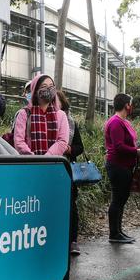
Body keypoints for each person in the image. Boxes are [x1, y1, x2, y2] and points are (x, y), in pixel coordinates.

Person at [104, 94, 140, 244]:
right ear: (126, 105)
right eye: (131, 104)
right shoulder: (115, 122)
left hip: (126, 166)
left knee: (122, 199)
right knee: (117, 199)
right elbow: (119, 146)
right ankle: (114, 233)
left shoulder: (125, 122)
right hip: (118, 166)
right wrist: (136, 152)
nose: (131, 106)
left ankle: (119, 231)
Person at [13, 74, 69, 156]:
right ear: (35, 91)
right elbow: (19, 141)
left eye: (51, 86)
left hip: (53, 164)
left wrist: (47, 157)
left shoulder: (61, 115)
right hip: (30, 163)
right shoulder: (24, 114)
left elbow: (62, 141)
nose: (49, 89)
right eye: (44, 86)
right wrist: (34, 158)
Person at [57, 90, 84, 255]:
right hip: (50, 170)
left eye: (57, 101)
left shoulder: (71, 122)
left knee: (71, 206)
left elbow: (80, 147)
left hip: (67, 168)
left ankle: (73, 240)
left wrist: (69, 148)